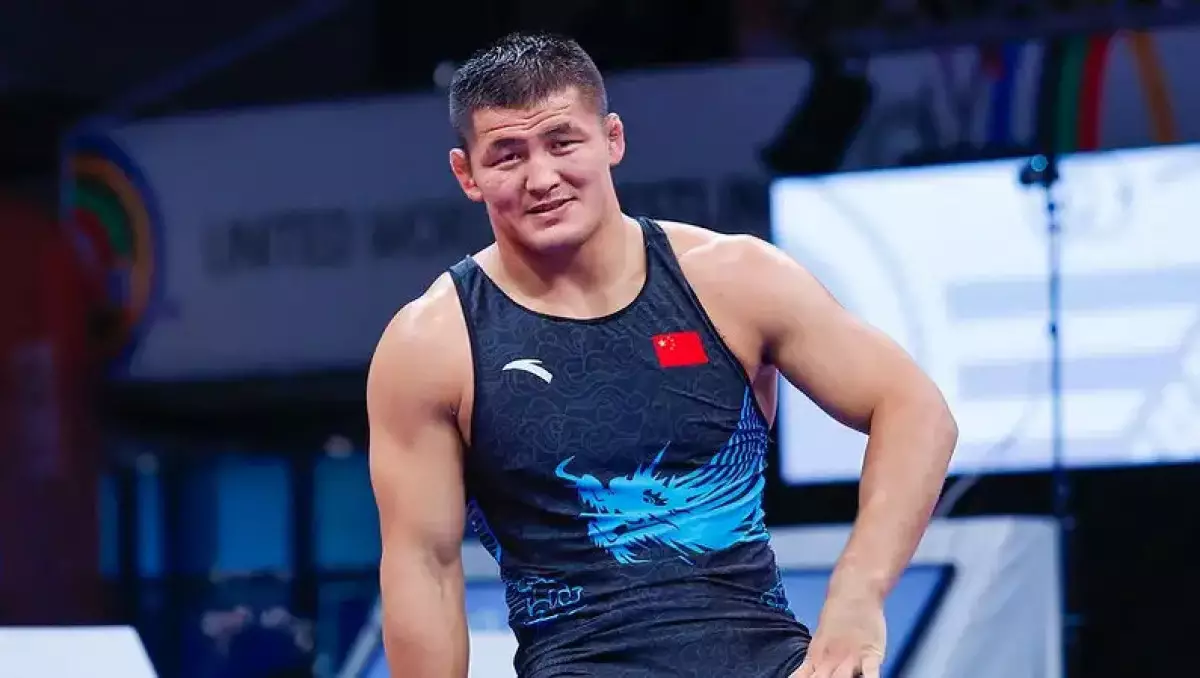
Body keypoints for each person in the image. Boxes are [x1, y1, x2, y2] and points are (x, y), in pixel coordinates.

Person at [367, 32, 958, 678]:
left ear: (612, 139)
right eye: (508, 156)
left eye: (563, 143)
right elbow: (425, 565)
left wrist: (856, 597)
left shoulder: (734, 280)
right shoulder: (432, 343)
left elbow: (915, 409)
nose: (542, 178)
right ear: (467, 175)